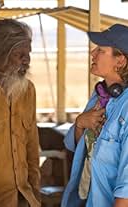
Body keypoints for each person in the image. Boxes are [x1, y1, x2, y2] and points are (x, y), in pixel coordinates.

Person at [61, 23, 128, 207]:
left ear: (120, 60)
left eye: (101, 50)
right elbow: (78, 148)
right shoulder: (100, 94)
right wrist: (80, 124)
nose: (93, 53)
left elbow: (127, 186)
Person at [0, 19, 40, 207]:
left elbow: (32, 148)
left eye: (28, 54)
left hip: (24, 199)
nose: (27, 60)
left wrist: (35, 193)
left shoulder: (28, 90)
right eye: (19, 54)